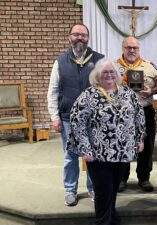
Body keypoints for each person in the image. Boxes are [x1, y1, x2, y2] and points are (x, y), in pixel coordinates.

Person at [66, 59, 145, 225]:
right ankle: (104, 221)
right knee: (103, 192)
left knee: (113, 190)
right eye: (105, 72)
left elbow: (139, 115)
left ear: (117, 75)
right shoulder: (89, 94)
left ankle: (112, 219)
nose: (109, 75)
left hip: (122, 152)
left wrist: (140, 138)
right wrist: (85, 148)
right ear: (97, 76)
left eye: (112, 72)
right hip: (98, 154)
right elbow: (76, 120)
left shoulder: (127, 93)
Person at [47, 23, 104, 206]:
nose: (80, 38)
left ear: (88, 38)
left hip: (94, 119)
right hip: (68, 118)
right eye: (76, 34)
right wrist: (54, 117)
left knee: (93, 154)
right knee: (70, 155)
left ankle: (93, 188)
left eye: (84, 35)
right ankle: (70, 190)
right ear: (69, 37)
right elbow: (53, 91)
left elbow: (108, 88)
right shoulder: (60, 61)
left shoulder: (99, 60)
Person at [115, 36, 157, 192]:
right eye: (128, 47)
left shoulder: (150, 67)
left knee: (147, 146)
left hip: (146, 111)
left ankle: (144, 178)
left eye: (135, 47)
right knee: (123, 144)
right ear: (123, 48)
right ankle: (121, 178)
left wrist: (154, 101)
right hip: (122, 113)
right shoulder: (114, 67)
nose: (132, 50)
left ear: (139, 49)